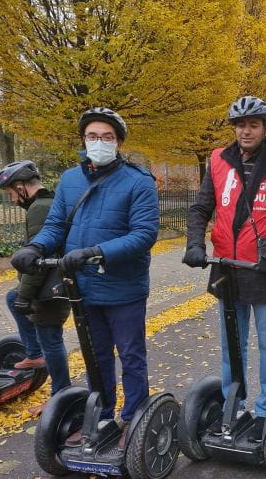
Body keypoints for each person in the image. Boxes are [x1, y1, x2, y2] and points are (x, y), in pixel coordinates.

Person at [10, 107, 159, 449]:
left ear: (118, 142)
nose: (100, 142)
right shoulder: (69, 180)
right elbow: (56, 225)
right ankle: (104, 415)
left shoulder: (139, 181)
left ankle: (134, 419)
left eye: (107, 137)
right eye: (93, 136)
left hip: (124, 287)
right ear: (83, 140)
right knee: (97, 356)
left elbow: (144, 234)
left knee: (131, 354)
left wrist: (96, 252)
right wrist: (35, 247)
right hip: (84, 287)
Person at [183, 96, 266, 441]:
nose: (246, 131)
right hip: (227, 267)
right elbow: (200, 209)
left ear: (265, 128)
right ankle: (233, 404)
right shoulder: (219, 161)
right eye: (240, 125)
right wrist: (195, 244)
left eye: (253, 124)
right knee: (231, 345)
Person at [0, 161, 71, 404]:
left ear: (20, 187)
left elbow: (37, 258)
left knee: (51, 339)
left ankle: (61, 398)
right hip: (52, 278)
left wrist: (25, 296)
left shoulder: (40, 208)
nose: (12, 200)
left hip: (51, 283)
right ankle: (35, 353)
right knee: (11, 297)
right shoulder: (46, 203)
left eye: (11, 194)